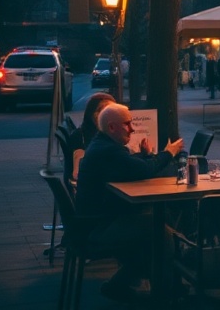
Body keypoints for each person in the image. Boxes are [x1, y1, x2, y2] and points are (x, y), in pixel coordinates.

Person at [75, 103, 184, 302]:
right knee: (161, 232)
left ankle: (121, 285)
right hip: (99, 228)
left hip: (94, 222)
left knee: (155, 225)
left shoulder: (102, 145)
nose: (132, 129)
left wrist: (144, 156)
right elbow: (143, 170)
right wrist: (169, 152)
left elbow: (131, 166)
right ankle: (165, 297)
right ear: (112, 127)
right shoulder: (108, 151)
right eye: (127, 124)